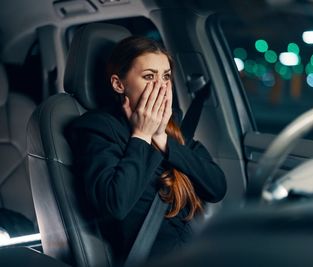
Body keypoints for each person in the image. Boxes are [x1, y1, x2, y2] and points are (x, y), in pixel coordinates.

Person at [66, 36, 227, 263]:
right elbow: (115, 205)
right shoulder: (97, 128)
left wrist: (162, 139)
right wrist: (141, 135)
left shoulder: (172, 125)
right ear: (118, 84)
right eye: (149, 76)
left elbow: (217, 187)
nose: (161, 86)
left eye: (166, 76)